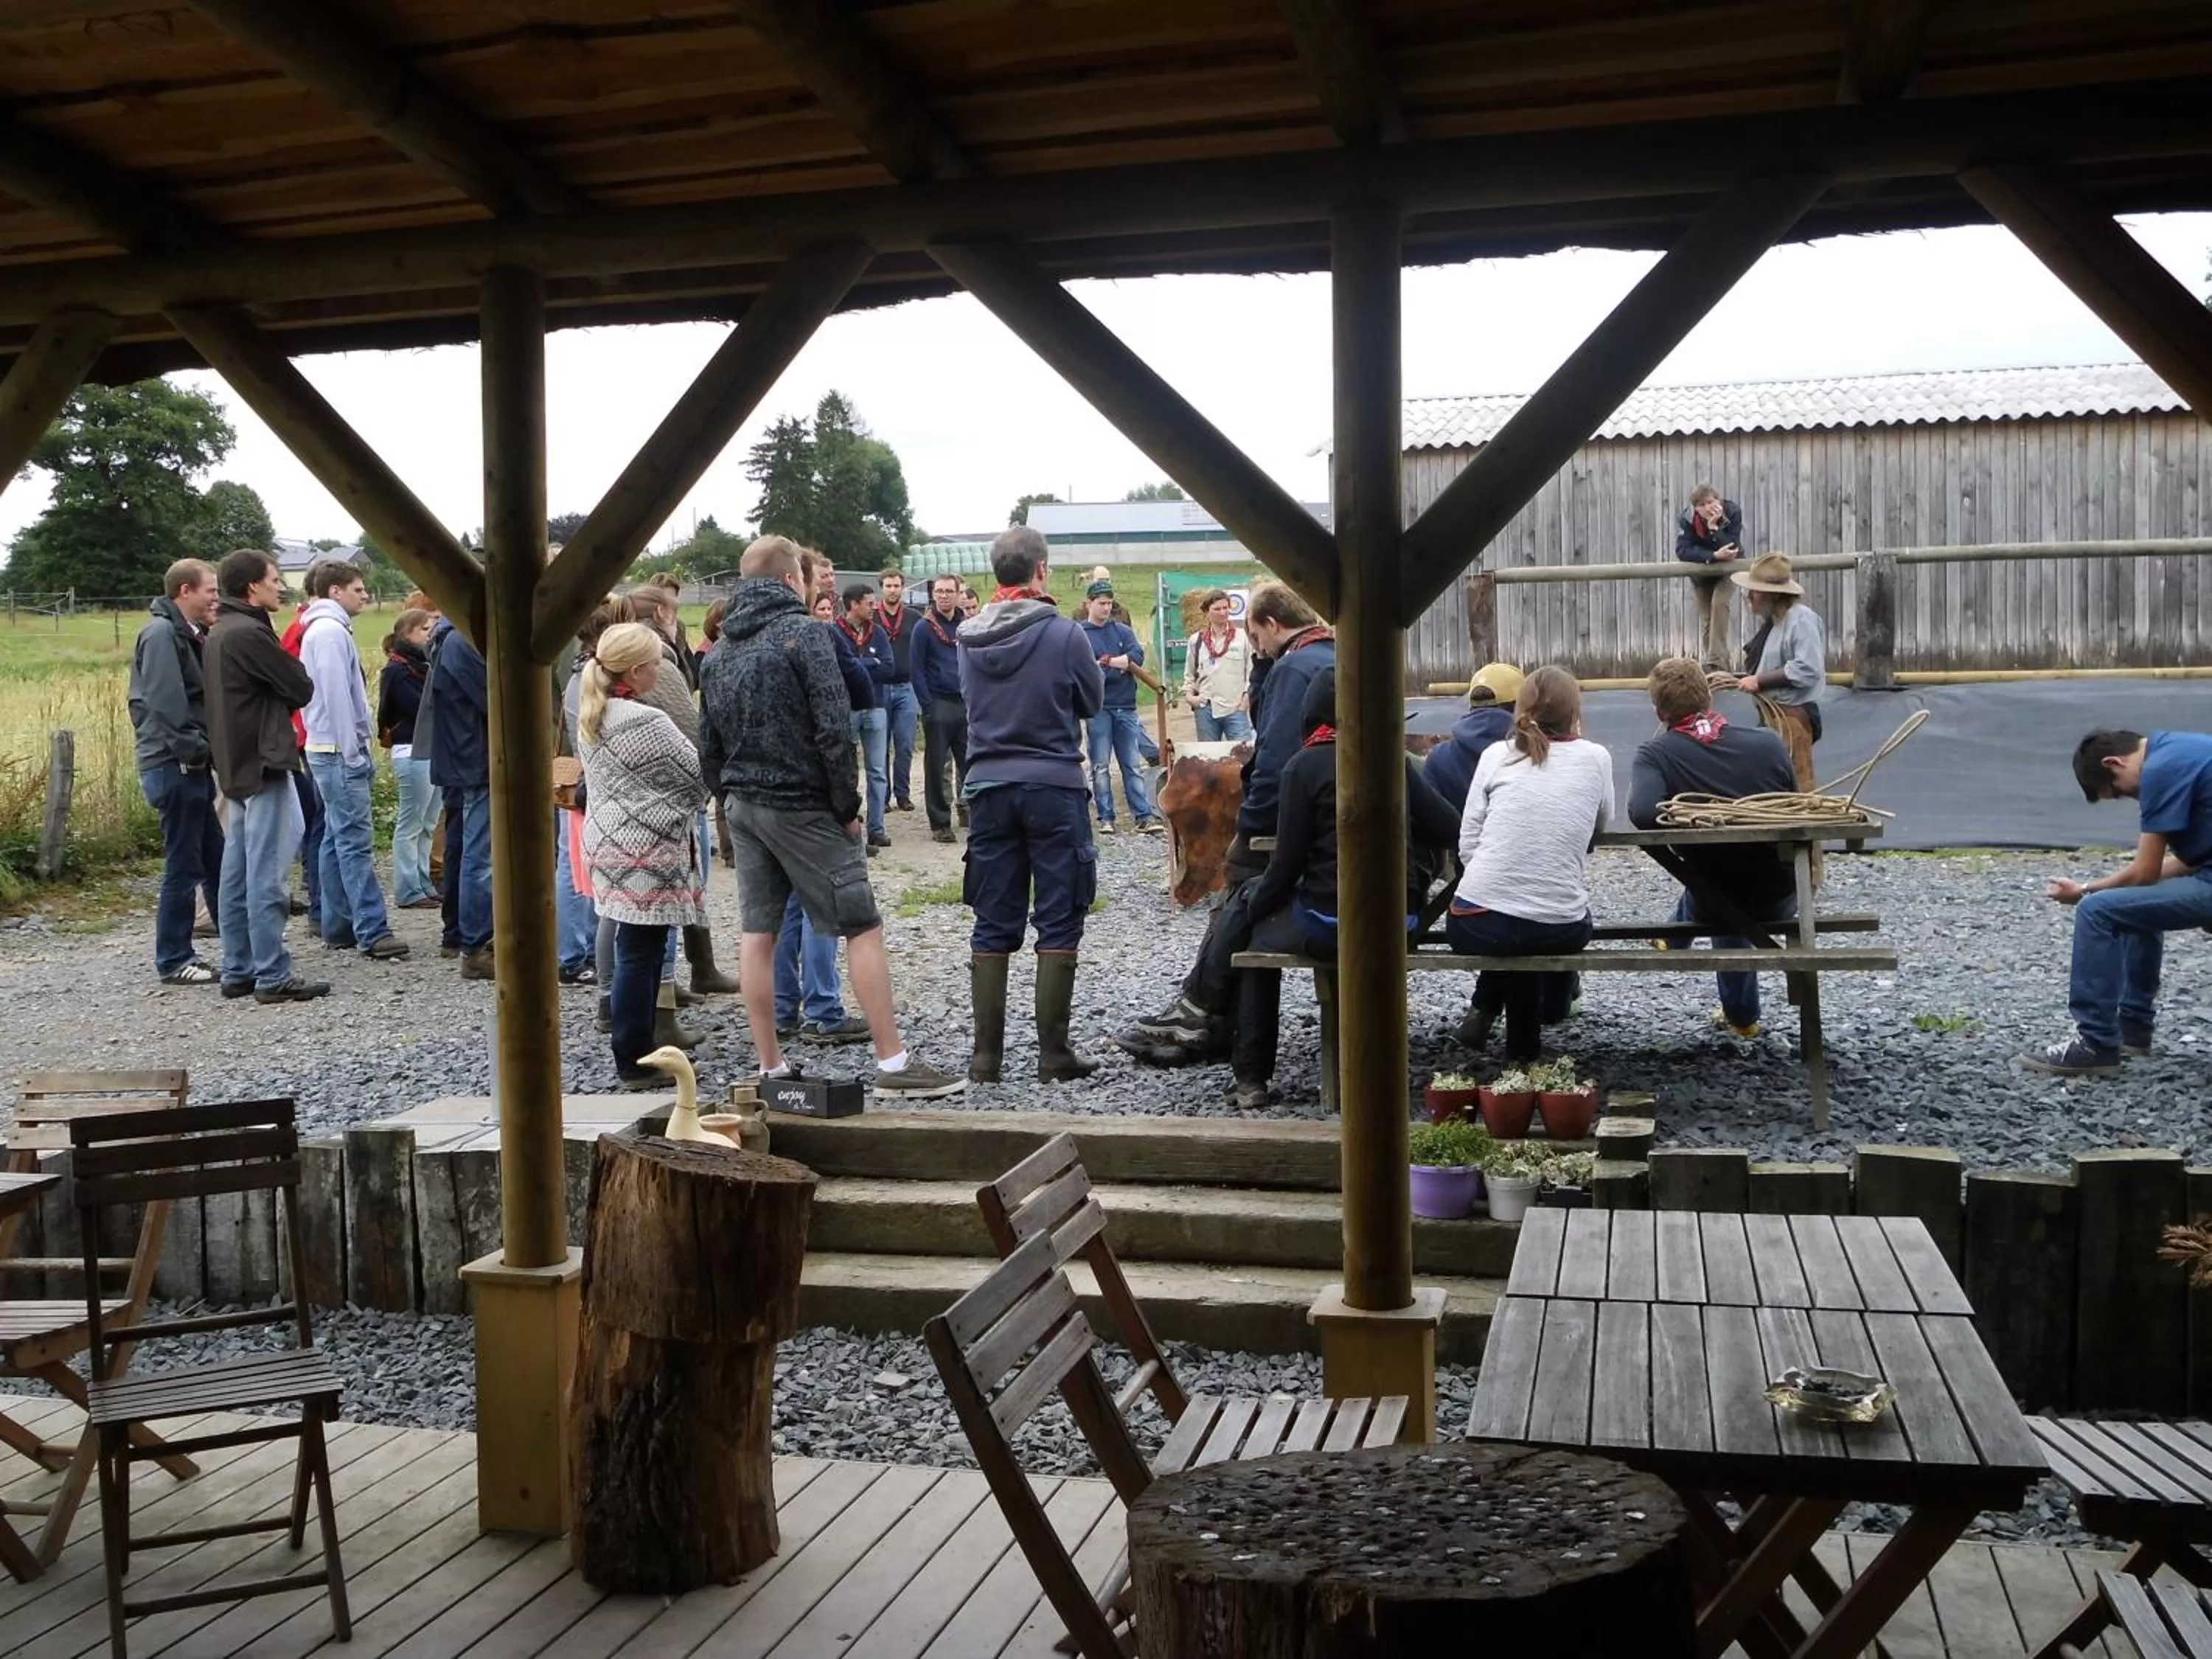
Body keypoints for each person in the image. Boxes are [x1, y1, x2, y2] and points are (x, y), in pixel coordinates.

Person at [1121, 667, 1461, 1105]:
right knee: (1253, 908)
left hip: (1328, 922)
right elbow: (1450, 826)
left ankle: (1249, 1077)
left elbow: (1286, 865)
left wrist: (1256, 901)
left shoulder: (1305, 766)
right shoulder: (1394, 763)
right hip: (1399, 921)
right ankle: (1197, 1011)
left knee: (1255, 938)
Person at [700, 535, 962, 1097]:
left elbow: (709, 744)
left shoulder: (720, 651)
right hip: (804, 805)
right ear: (793, 578)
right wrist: (848, 808)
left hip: (744, 804)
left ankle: (770, 1067)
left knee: (757, 931)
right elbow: (831, 728)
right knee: (862, 924)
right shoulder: (806, 635)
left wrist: (728, 797)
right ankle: (893, 1064)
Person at [959, 526, 1107, 1082]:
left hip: (989, 784)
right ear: (1040, 570)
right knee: (1059, 913)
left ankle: (985, 1057)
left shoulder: (966, 636)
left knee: (992, 917)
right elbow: (1091, 701)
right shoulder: (1065, 634)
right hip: (1052, 783)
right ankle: (1053, 1053)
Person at [2020, 728, 2212, 1077]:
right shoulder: (2183, 750)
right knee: (2131, 906)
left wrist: (2084, 891)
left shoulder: (2160, 771)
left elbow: (2145, 872)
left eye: (2122, 791)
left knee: (2099, 911)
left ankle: (2095, 1043)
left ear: (2114, 762)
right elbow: (2188, 862)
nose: (2135, 798)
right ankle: (2132, 1030)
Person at [1445, 666, 1613, 1061]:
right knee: (1538, 921)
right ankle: (1539, 1027)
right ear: (1575, 710)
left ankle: (1490, 1018)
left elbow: (1468, 846)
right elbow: (1597, 827)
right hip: (1561, 927)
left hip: (1478, 923)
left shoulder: (1495, 756)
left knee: (1512, 926)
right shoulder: (1596, 758)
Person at [1627, 657, 1800, 1040]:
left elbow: (1641, 814)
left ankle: (1675, 938)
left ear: (1659, 711)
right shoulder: (1769, 742)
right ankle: (1741, 1018)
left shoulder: (1657, 754)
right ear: (1710, 699)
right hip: (1781, 893)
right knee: (1733, 877)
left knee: (1717, 883)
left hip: (1714, 897)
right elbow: (1794, 805)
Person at [577, 622, 709, 1088]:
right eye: (658, 662)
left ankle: (639, 1043)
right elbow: (698, 775)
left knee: (633, 946)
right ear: (638, 670)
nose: (663, 669)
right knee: (641, 952)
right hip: (645, 851)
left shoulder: (593, 710)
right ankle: (633, 1055)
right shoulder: (646, 721)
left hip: (606, 842)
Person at [204, 548, 325, 1003]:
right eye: (274, 579)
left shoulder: (220, 631)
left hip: (234, 764)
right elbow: (300, 685)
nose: (280, 586)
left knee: (235, 872)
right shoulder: (250, 635)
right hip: (263, 761)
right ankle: (272, 974)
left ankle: (239, 968)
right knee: (267, 873)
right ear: (252, 586)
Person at [627, 582, 741, 996]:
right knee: (679, 887)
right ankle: (667, 986)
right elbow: (688, 726)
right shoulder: (656, 660)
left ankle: (694, 971)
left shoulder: (624, 656)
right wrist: (708, 775)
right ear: (661, 614)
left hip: (641, 794)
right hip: (672, 792)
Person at [296, 560, 408, 961]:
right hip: (336, 751)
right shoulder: (328, 633)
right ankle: (372, 929)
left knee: (332, 836)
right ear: (334, 591)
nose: (364, 596)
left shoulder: (325, 630)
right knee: (354, 842)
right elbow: (335, 696)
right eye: (357, 589)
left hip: (327, 749)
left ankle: (337, 923)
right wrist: (352, 750)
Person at [129, 557, 225, 985]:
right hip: (176, 767)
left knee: (216, 857)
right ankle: (174, 959)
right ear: (184, 591)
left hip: (188, 765)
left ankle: (242, 946)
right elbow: (165, 705)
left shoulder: (187, 635)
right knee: (184, 865)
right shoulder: (162, 635)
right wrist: (200, 750)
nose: (215, 598)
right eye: (210, 589)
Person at [1233, 582, 1336, 882]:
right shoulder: (1340, 655)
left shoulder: (1292, 669)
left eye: (1257, 637)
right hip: (1342, 807)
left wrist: (1252, 819)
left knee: (1238, 872)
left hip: (1304, 813)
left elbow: (1276, 754)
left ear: (1272, 624)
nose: (1260, 648)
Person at [424, 611, 493, 978]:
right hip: (473, 758)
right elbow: (495, 697)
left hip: (465, 757)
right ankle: (477, 944)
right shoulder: (463, 643)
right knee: (479, 857)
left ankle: (466, 936)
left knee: (469, 849)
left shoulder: (452, 639)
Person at [1730, 553, 1826, 791]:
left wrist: (1760, 681)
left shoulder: (1801, 620)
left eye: (1755, 590)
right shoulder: (1776, 622)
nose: (1749, 595)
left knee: (1799, 788)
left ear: (1773, 594)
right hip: (1773, 717)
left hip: (1792, 718)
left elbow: (1808, 668)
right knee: (1773, 786)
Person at [1077, 580, 1162, 835]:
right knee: (1100, 764)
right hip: (1098, 707)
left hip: (1125, 705)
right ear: (1089, 604)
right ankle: (1106, 816)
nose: (1106, 608)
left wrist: (1109, 662)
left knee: (1131, 763)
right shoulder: (1081, 634)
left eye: (1109, 603)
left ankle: (1143, 815)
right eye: (1101, 603)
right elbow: (1082, 665)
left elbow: (1136, 657)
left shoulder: (1122, 631)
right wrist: (1118, 663)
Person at [377, 607, 439, 910]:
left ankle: (423, 881)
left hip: (428, 749)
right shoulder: (398, 671)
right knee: (411, 823)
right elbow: (420, 707)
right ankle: (407, 888)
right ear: (407, 634)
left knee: (428, 823)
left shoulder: (422, 667)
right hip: (411, 750)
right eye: (425, 630)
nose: (430, 635)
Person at [909, 573, 970, 844]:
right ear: (934, 595)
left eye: (949, 591)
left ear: (959, 595)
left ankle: (971, 812)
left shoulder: (967, 626)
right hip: (939, 702)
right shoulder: (924, 628)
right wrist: (927, 706)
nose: (944, 596)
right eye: (940, 591)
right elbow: (916, 669)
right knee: (936, 766)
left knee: (970, 762)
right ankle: (940, 822)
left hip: (966, 702)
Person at [1422, 662, 1525, 813]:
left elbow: (1424, 818)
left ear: (1471, 704)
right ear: (1521, 705)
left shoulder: (1439, 758)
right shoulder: (1535, 754)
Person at [839, 582, 895, 849]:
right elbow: (840, 670)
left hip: (876, 707)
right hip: (848, 709)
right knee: (847, 771)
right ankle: (849, 829)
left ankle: (877, 828)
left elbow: (889, 669)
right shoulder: (835, 632)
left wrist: (857, 665)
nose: (874, 608)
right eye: (869, 603)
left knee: (878, 770)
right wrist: (870, 664)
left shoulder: (879, 633)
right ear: (853, 605)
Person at [877, 569, 922, 814]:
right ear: (881, 588)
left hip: (907, 687)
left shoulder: (915, 617)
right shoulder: (872, 617)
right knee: (880, 746)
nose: (892, 590)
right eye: (888, 586)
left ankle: (902, 794)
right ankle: (882, 797)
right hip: (880, 688)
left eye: (896, 586)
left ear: (903, 588)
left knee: (904, 744)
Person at [1183, 588, 1253, 742]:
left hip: (1235, 708)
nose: (1222, 613)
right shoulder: (1196, 640)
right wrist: (1191, 698)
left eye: (1225, 608)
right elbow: (1189, 675)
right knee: (1208, 758)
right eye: (1217, 609)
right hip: (1205, 709)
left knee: (1243, 756)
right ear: (1207, 612)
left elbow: (1251, 673)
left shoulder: (1243, 638)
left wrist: (1245, 702)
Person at [1674, 484, 1743, 565]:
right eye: (1702, 505)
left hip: (1732, 564)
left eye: (1710, 502)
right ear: (1696, 508)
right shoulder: (1688, 519)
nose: (1707, 508)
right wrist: (1713, 556)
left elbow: (1732, 548)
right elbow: (1682, 551)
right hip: (1703, 567)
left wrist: (1714, 529)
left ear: (1718, 501)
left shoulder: (1732, 512)